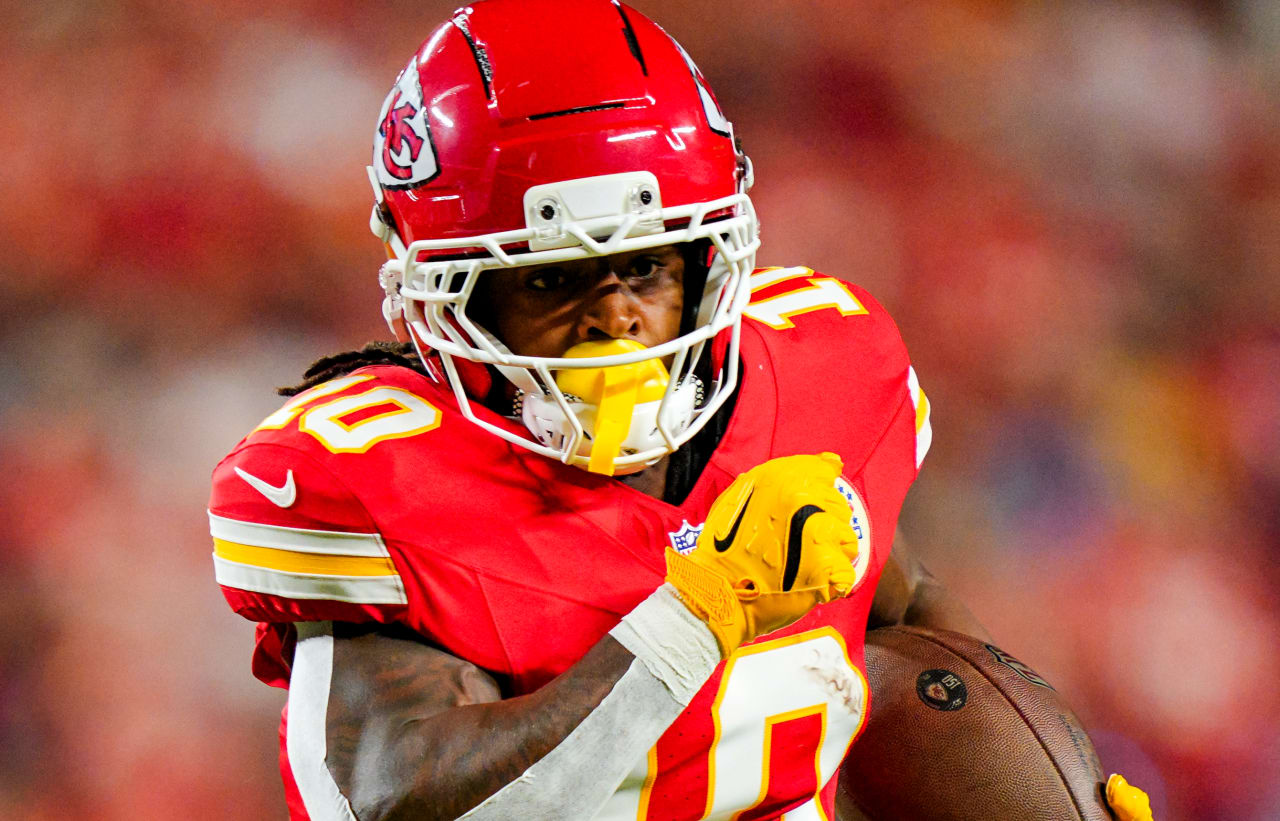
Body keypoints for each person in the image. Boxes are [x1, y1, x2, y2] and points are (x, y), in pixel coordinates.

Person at [207, 2, 1151, 819]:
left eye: (646, 268)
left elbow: (902, 625)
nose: (615, 315)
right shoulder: (373, 483)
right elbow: (390, 805)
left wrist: (1050, 771)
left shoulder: (816, 380)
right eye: (555, 279)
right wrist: (688, 620)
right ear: (449, 298)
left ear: (709, 262)